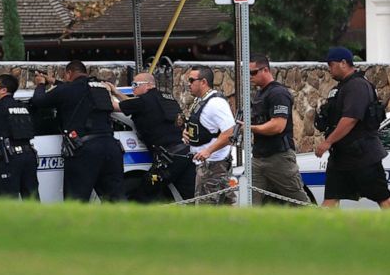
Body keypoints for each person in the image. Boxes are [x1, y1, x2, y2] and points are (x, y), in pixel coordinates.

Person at [314, 47, 390, 209]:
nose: (329, 69)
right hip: (341, 157)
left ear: (343, 63)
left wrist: (327, 142)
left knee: (383, 197)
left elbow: (350, 119)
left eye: (331, 65)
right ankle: (323, 233)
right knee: (331, 199)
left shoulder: (357, 86)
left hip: (362, 155)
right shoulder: (341, 88)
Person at [30, 61, 124, 202]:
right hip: (111, 147)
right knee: (114, 200)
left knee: (76, 201)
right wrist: (54, 81)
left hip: (85, 151)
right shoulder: (100, 88)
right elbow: (75, 89)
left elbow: (38, 101)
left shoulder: (68, 90)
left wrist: (41, 84)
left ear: (69, 73)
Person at [106, 72, 195, 201]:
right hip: (185, 155)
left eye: (135, 84)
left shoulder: (143, 102)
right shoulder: (167, 98)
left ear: (148, 85)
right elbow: (132, 105)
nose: (133, 88)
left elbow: (113, 106)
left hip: (168, 159)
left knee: (144, 193)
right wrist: (116, 92)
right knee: (189, 197)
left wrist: (108, 91)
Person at [247, 55, 309, 206]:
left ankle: (319, 227)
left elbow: (278, 126)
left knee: (299, 202)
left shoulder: (278, 93)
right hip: (259, 156)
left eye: (253, 72)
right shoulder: (260, 94)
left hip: (279, 156)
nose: (250, 77)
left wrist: (250, 128)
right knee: (250, 202)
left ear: (265, 70)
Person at [183, 66, 236, 205]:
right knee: (225, 209)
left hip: (213, 166)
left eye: (191, 80)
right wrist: (187, 133)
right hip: (208, 166)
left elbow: (230, 133)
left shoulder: (215, 103)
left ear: (203, 82)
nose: (188, 83)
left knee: (205, 212)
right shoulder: (201, 100)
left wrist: (208, 151)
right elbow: (202, 126)